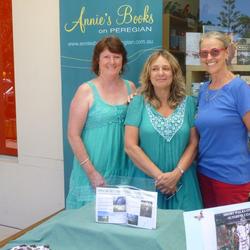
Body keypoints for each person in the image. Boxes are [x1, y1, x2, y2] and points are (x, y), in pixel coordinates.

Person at [124, 49, 203, 210]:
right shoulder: (137, 102)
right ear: (148, 74)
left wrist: (176, 174)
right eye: (155, 69)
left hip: (183, 183)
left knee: (185, 232)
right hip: (147, 184)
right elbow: (130, 146)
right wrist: (162, 178)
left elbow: (193, 144)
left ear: (174, 73)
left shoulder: (189, 103)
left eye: (166, 68)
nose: (161, 73)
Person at [66, 36, 136, 209]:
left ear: (123, 60)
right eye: (106, 57)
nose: (112, 61)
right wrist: (91, 173)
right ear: (97, 60)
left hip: (124, 171)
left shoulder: (131, 88)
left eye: (116, 56)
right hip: (94, 173)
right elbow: (73, 135)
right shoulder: (85, 91)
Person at [195, 31, 250, 208]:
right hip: (204, 174)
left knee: (231, 235)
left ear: (226, 53)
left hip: (232, 179)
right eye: (204, 53)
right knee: (208, 234)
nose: (209, 57)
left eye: (215, 52)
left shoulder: (239, 89)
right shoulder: (203, 90)